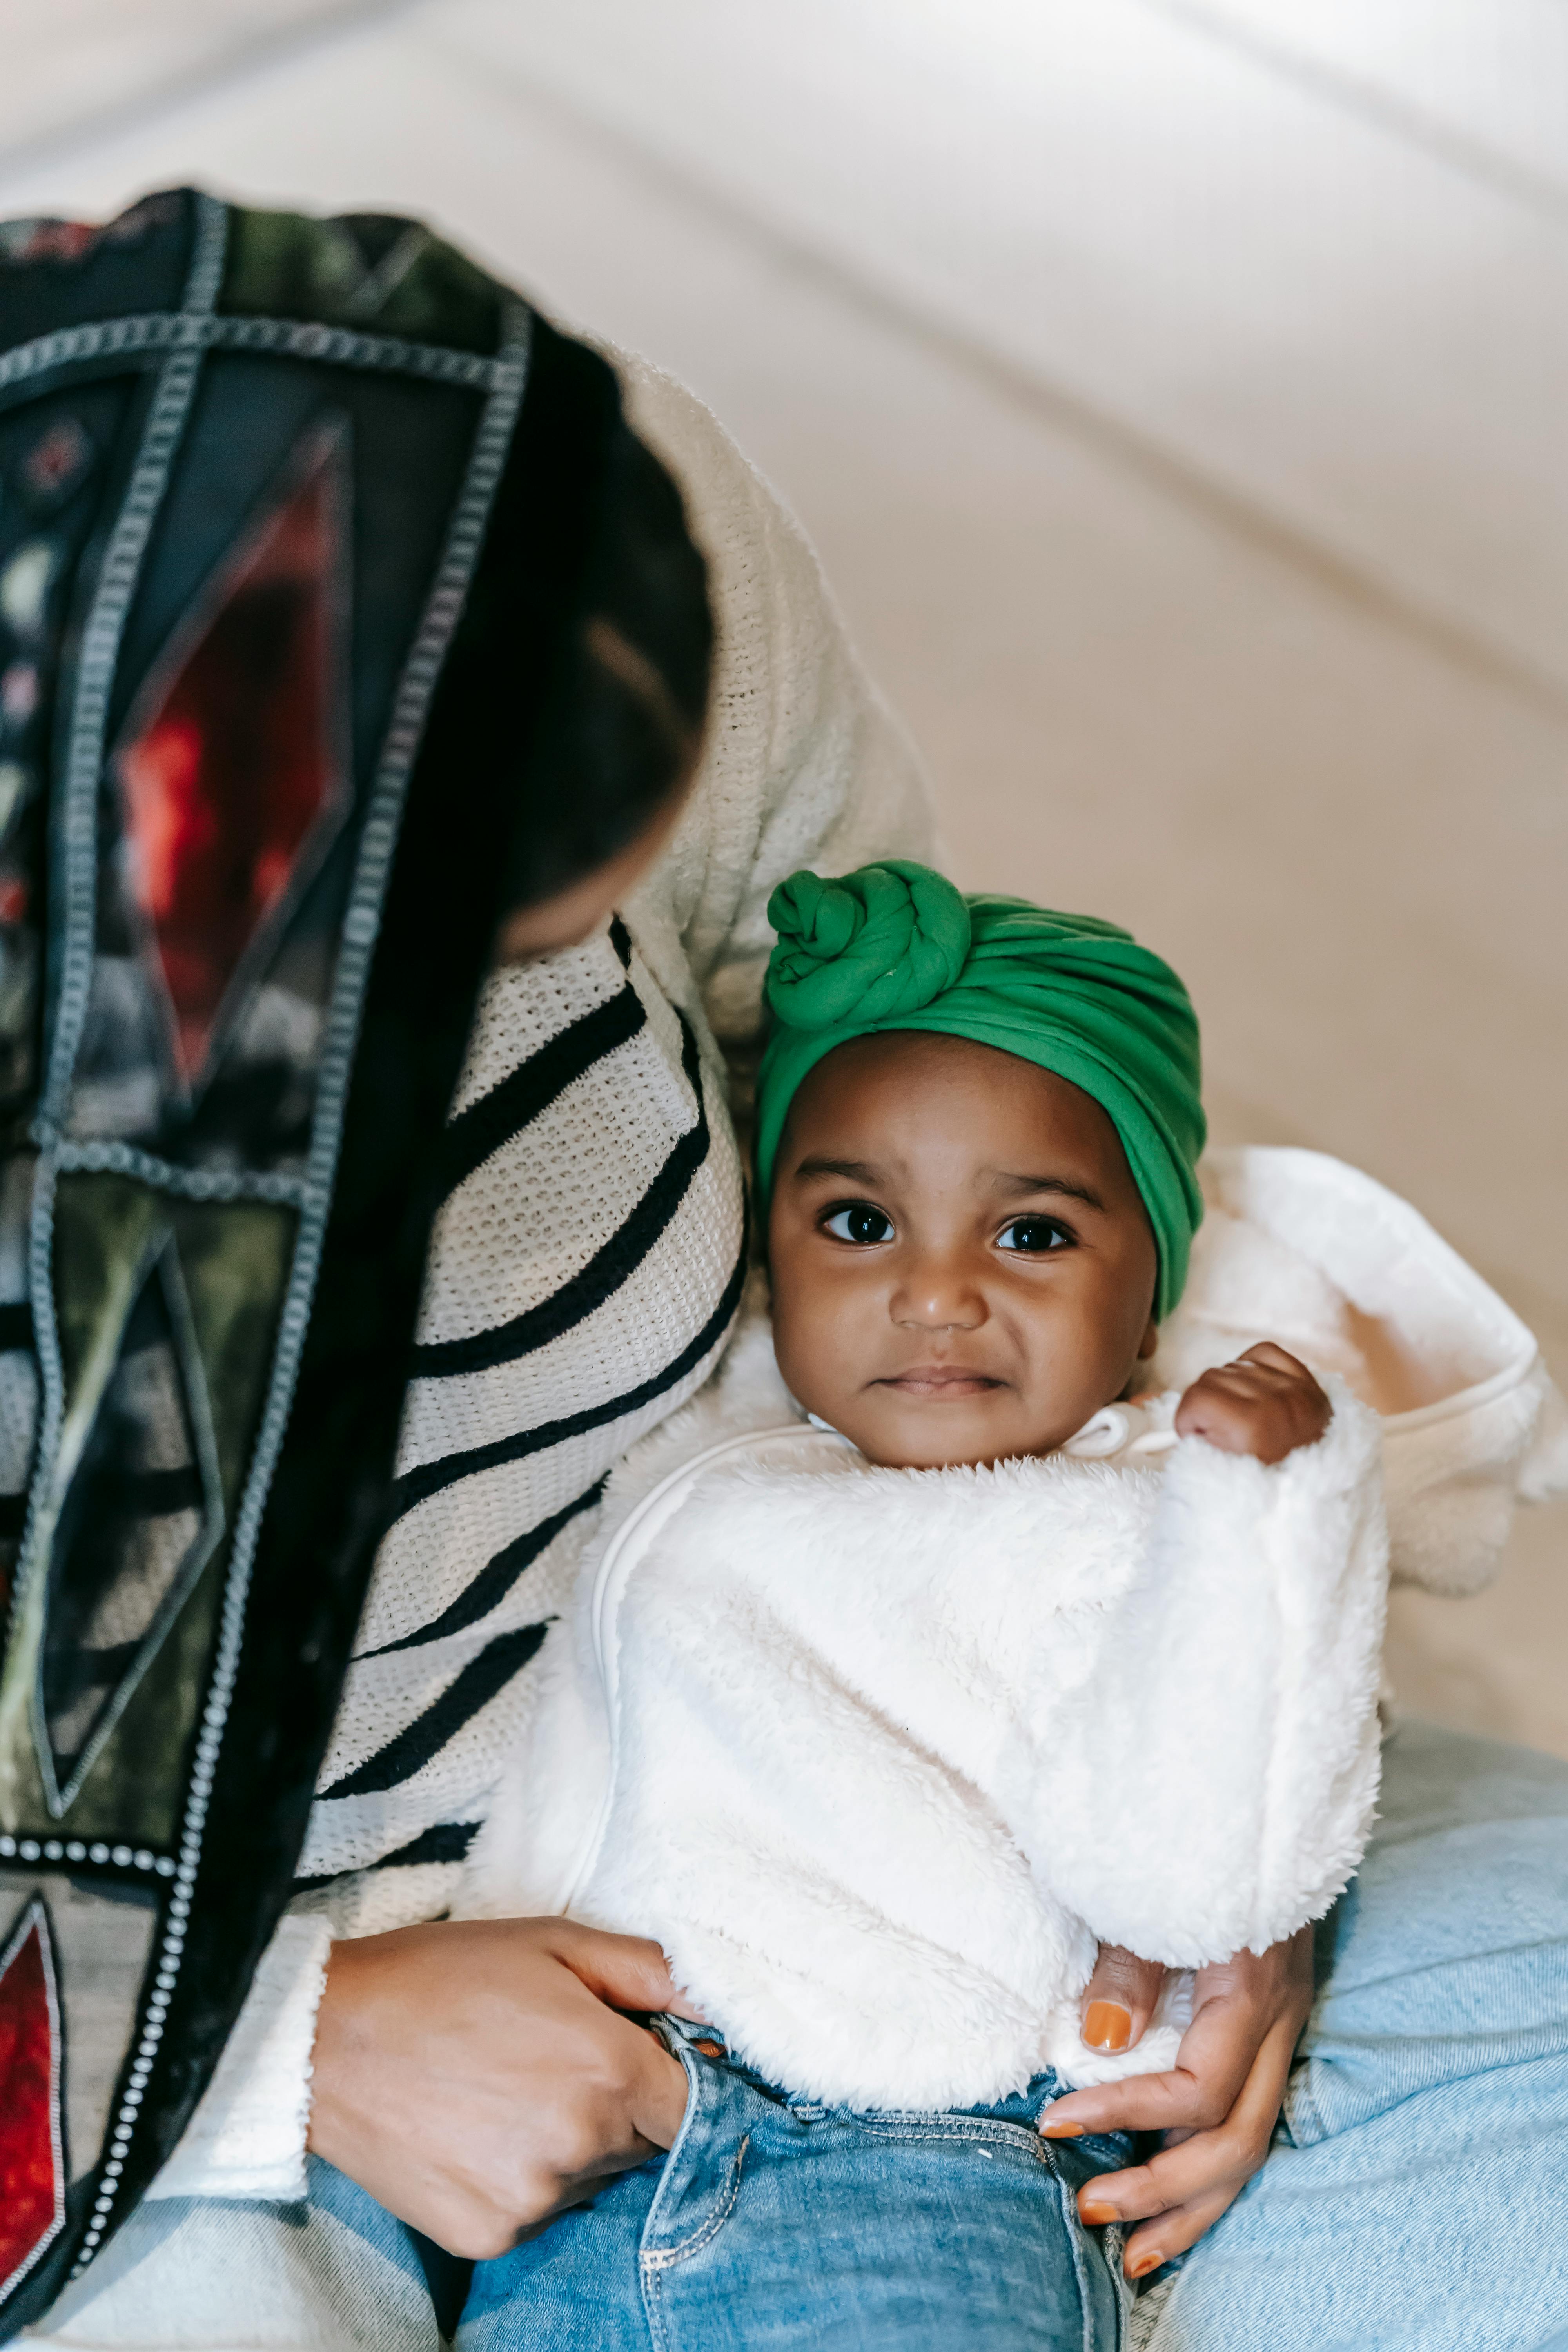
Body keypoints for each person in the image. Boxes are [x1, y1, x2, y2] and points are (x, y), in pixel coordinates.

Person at [4, 193, 1566, 2352]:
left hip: (876, 1781)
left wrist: (1236, 1759)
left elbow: (943, 1109)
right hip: (149, 2022)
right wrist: (291, 2057)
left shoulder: (523, 489)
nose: (539, 992)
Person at [451, 862, 1392, 2350]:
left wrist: (1255, 1518)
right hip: (573, 2154)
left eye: (1030, 1234)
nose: (936, 1292)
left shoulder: (1140, 1525)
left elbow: (1198, 1873)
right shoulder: (721, 1420)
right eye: (857, 1222)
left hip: (912, 2165)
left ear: (1154, 1295)